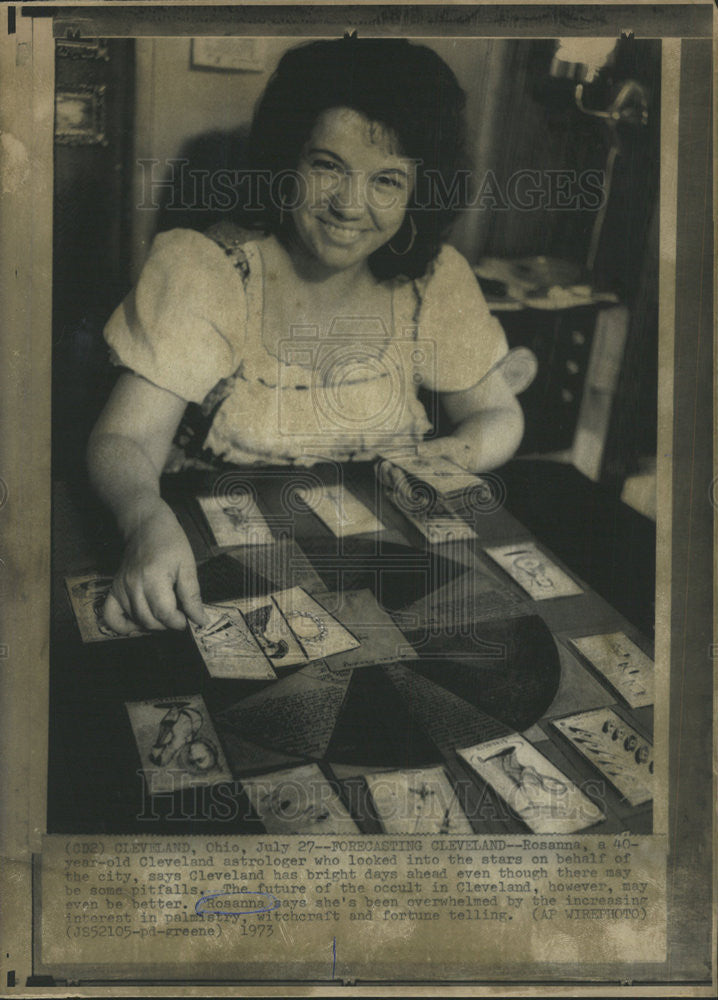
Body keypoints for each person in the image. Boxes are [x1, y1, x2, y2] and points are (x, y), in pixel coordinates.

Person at [88, 37, 524, 635]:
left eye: (387, 181)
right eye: (327, 167)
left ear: (419, 191)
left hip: (385, 586)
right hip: (213, 574)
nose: (350, 205)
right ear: (287, 159)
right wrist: (143, 519)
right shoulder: (207, 270)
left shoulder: (436, 278)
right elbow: (122, 440)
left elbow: (499, 414)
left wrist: (454, 454)